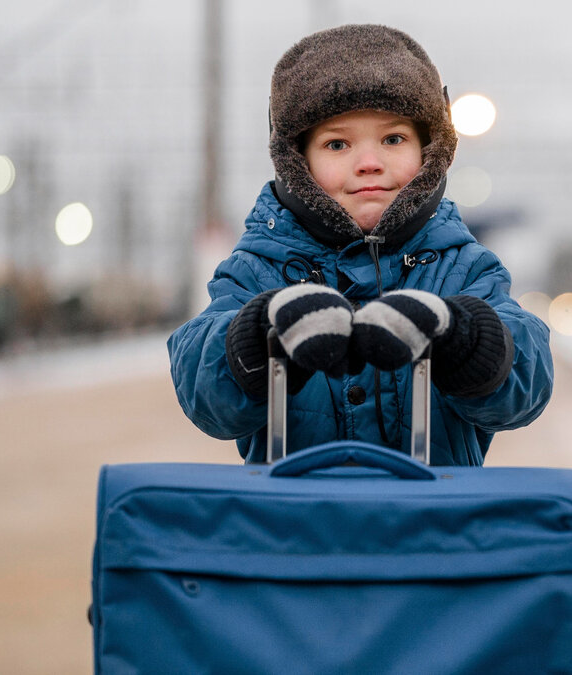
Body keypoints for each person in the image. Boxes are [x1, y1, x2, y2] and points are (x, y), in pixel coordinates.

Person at [167, 24, 552, 465]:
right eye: (337, 143)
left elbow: (528, 383)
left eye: (393, 139)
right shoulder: (257, 268)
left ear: (430, 150)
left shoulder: (464, 268)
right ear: (298, 163)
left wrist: (466, 339)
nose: (369, 163)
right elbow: (203, 391)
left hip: (430, 526)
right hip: (295, 528)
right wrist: (254, 338)